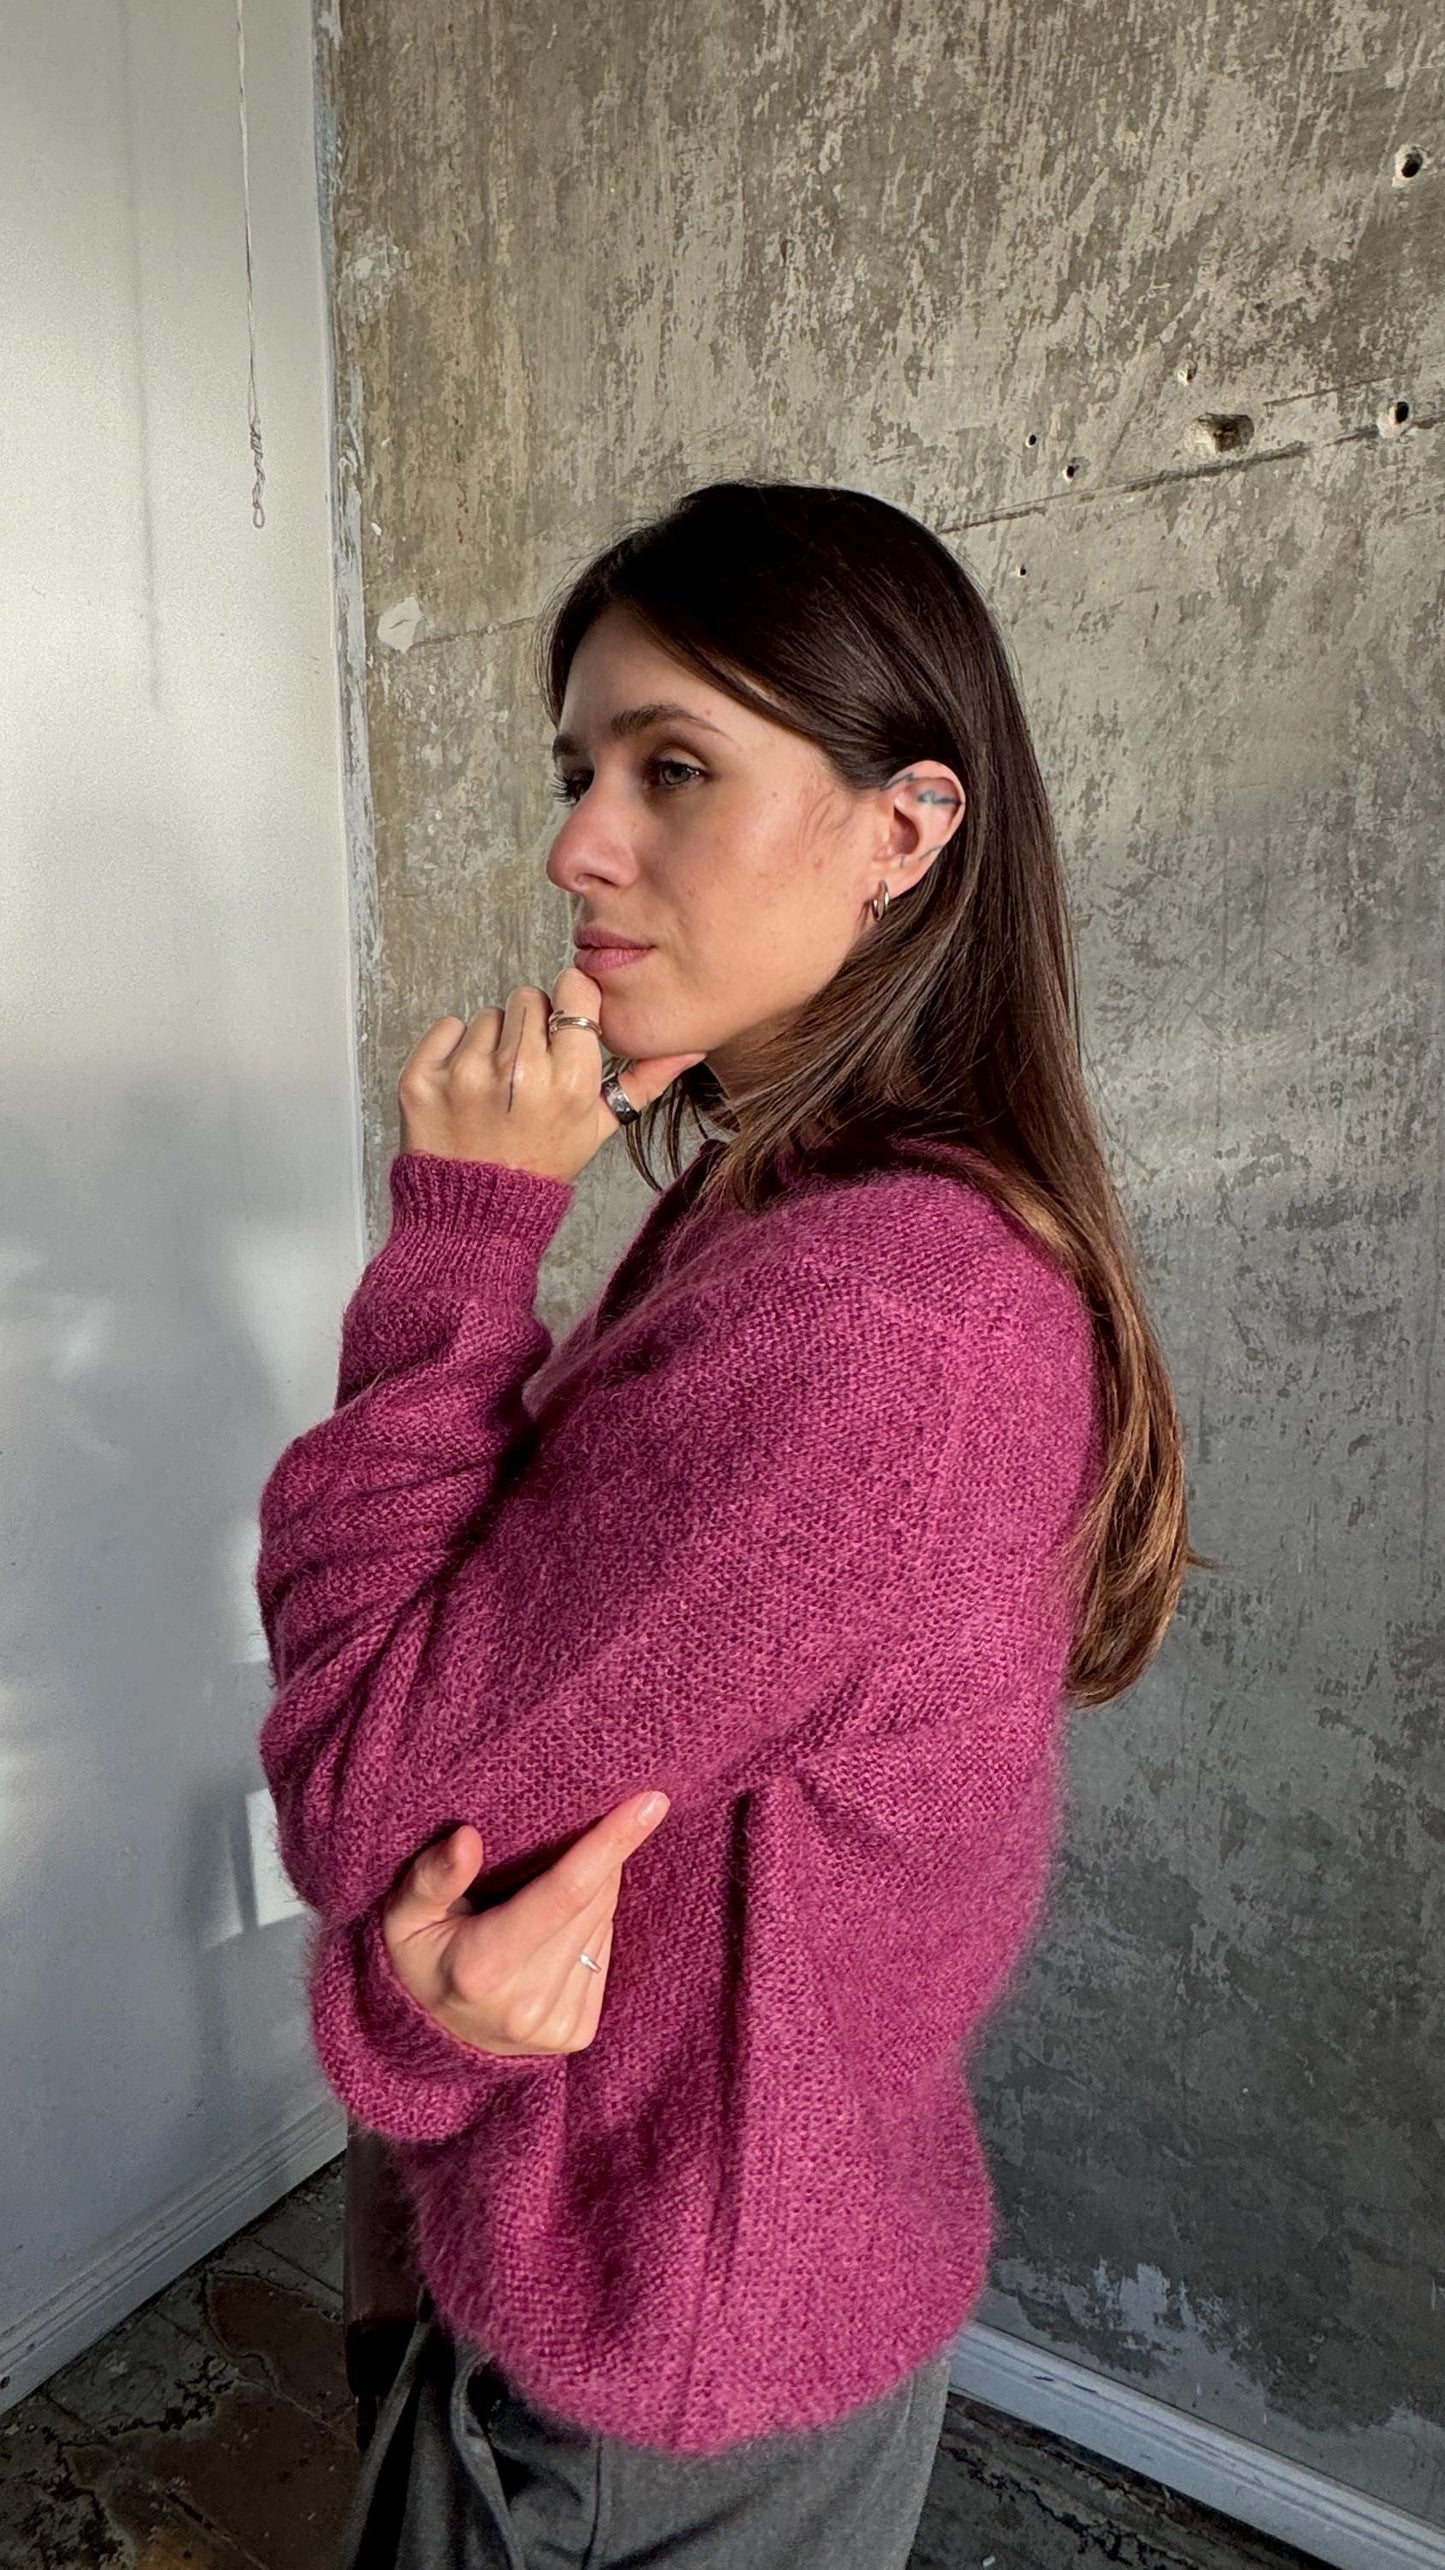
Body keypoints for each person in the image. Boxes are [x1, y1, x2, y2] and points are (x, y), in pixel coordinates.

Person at [254, 479, 1194, 2568]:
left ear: (904, 829)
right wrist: (411, 2028)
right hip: (681, 2273)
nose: (579, 844)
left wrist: (460, 1244)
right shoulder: (790, 1211)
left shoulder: (872, 1321)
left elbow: (366, 1797)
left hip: (641, 2368)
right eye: (577, 771)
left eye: (671, 767)